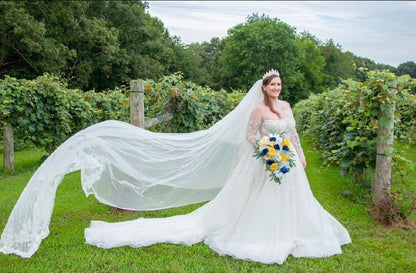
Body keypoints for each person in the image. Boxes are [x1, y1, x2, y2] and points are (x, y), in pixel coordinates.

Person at [0, 69, 351, 264]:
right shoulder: (258, 110)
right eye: (272, 84)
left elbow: (295, 134)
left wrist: (297, 156)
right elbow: (248, 136)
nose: (276, 88)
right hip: (265, 161)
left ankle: (294, 232)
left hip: (288, 161)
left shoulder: (287, 106)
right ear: (264, 88)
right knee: (256, 202)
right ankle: (258, 233)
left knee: (293, 199)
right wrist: (267, 149)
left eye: (279, 84)